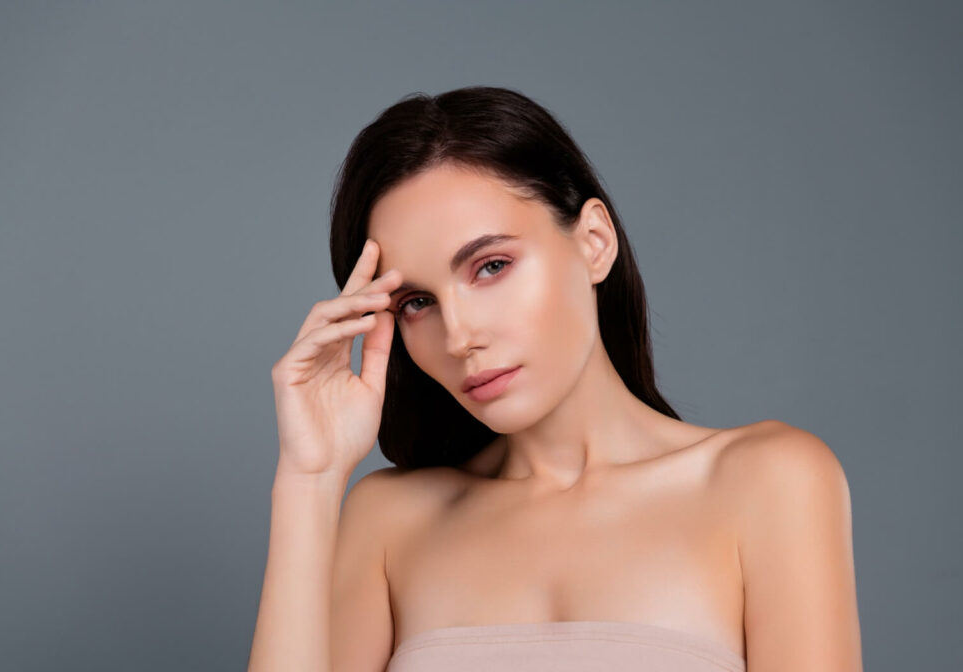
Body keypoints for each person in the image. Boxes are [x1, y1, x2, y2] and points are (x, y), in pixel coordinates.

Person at [247, 86, 863, 672]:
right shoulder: (390, 521)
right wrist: (310, 478)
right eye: (416, 302)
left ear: (594, 242)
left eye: (491, 266)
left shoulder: (768, 481)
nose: (460, 337)